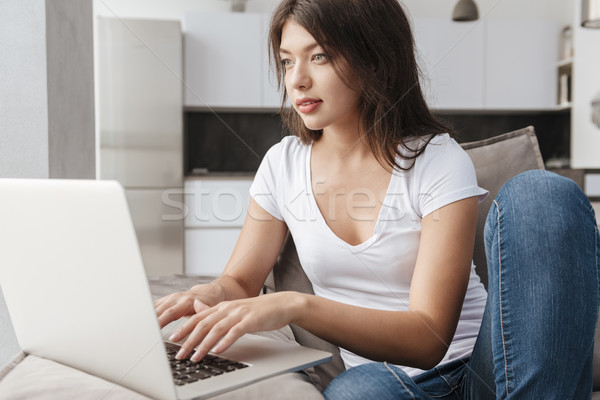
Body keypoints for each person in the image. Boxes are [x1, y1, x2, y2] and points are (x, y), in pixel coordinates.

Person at [155, 0, 600, 398]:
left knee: (545, 193)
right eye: (287, 61)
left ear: (373, 58)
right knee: (356, 392)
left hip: (487, 367)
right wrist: (214, 292)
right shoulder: (282, 165)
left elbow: (429, 338)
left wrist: (295, 304)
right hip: (390, 383)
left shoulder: (437, 160)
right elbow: (240, 282)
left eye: (320, 56)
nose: (297, 80)